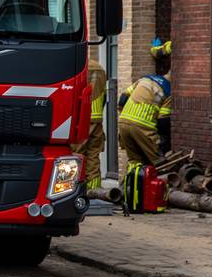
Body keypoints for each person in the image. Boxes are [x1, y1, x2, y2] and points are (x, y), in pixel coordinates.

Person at [118, 38, 172, 166]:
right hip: (143, 127)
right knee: (159, 164)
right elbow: (163, 122)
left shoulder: (145, 79)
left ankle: (131, 186)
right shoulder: (168, 90)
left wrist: (124, 114)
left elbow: (123, 98)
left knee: (135, 162)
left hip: (123, 122)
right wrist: (164, 142)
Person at [72, 58, 107, 190]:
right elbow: (104, 95)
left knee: (76, 154)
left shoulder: (76, 66)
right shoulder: (99, 68)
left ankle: (73, 188)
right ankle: (94, 190)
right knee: (93, 154)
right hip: (97, 117)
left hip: (80, 117)